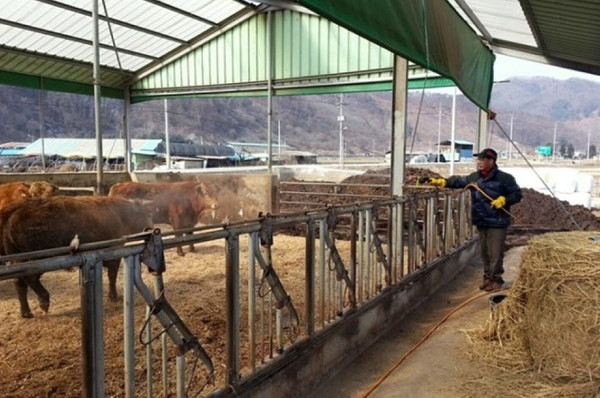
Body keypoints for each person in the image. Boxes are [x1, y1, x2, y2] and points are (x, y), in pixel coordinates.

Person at [427, 148, 522, 291]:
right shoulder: (474, 177)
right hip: (481, 220)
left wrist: (504, 199)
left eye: (483, 160)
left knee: (495, 252)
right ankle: (487, 277)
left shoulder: (505, 178)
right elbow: (458, 181)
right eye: (479, 160)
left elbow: (517, 194)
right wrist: (440, 181)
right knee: (484, 252)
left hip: (498, 221)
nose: (480, 162)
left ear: (492, 161)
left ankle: (496, 280)